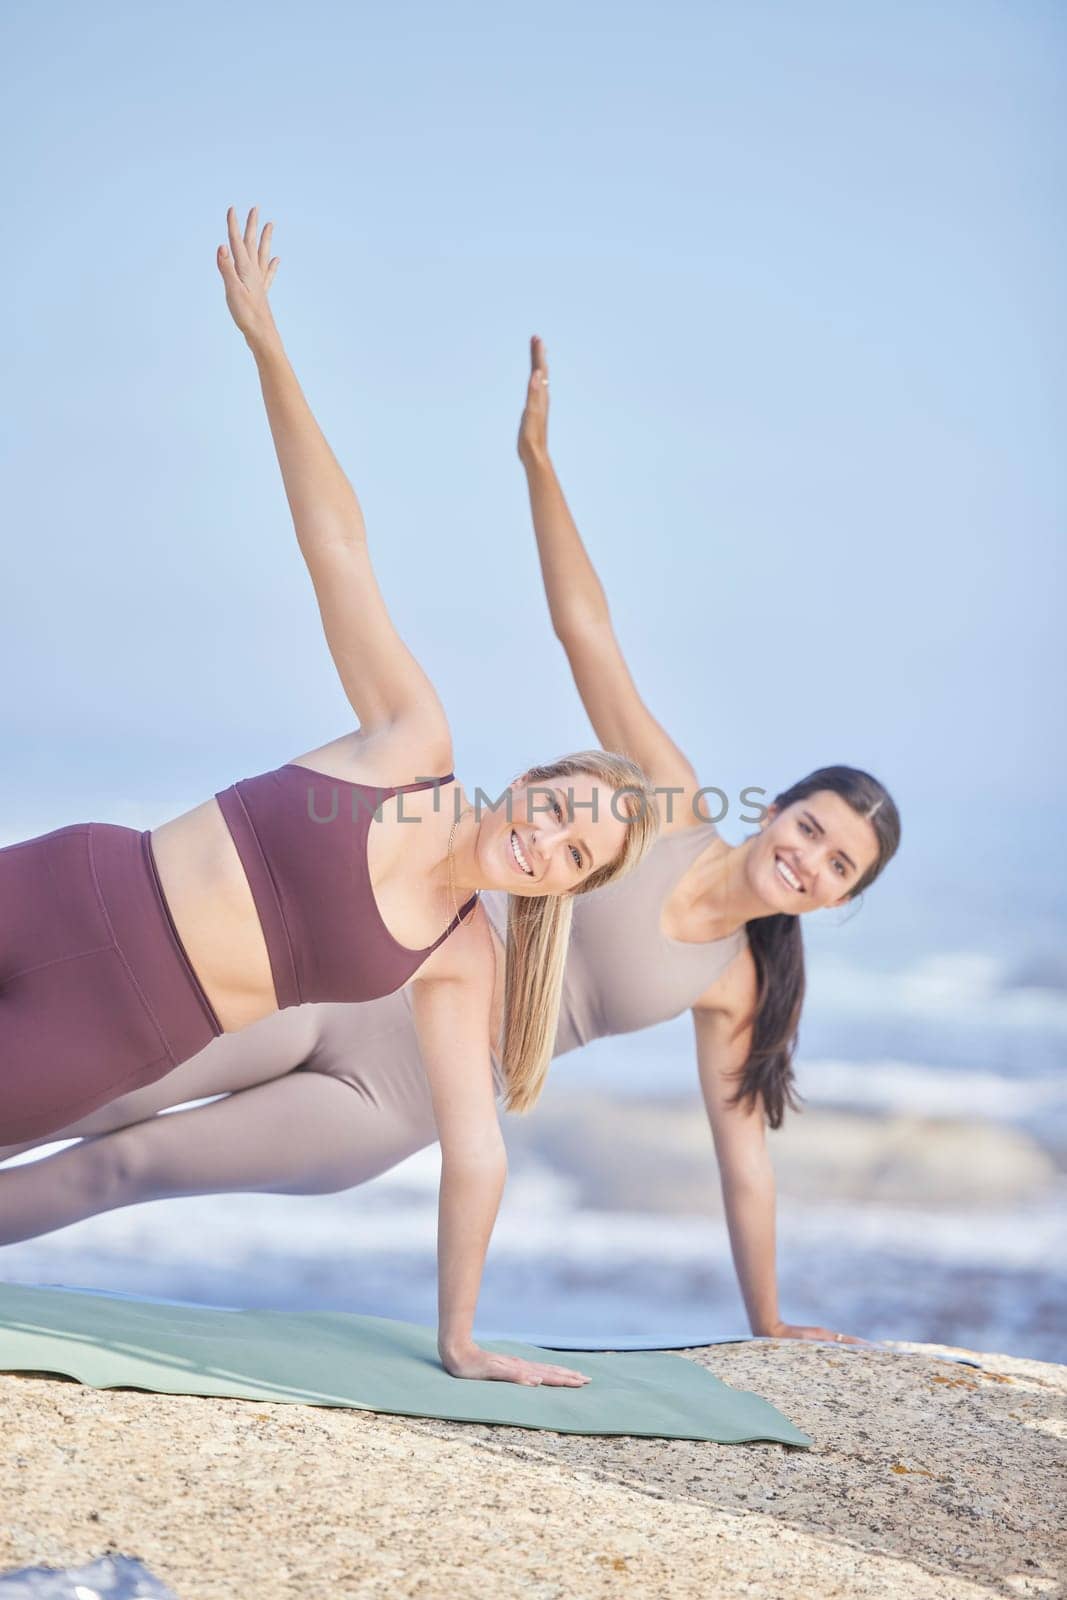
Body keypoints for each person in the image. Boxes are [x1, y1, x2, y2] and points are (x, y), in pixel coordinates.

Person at [1, 325, 900, 1348]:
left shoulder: (738, 987)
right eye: (811, 827)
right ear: (777, 805)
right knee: (101, 1102)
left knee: (128, 1166)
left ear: (836, 901)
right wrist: (538, 466)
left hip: (399, 1093)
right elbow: (585, 631)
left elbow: (743, 1165)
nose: (807, 857)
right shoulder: (666, 806)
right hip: (341, 979)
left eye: (836, 867)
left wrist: (769, 1319)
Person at [0, 210, 660, 1389]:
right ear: (534, 779)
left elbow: (475, 1152)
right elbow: (337, 547)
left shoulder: (460, 961)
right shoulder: (412, 742)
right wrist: (268, 345)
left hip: (110, 1031)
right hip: (63, 882)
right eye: (561, 808)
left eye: (573, 857)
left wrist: (460, 1337)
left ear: (566, 891)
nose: (547, 839)